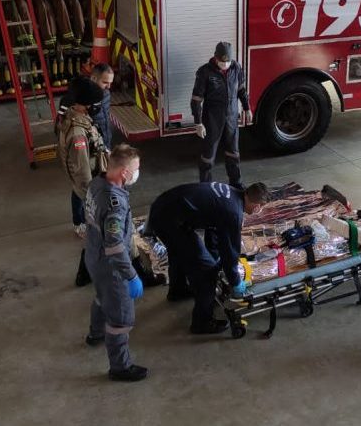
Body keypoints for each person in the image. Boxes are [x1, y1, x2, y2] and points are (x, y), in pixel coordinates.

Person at [144, 182, 269, 334]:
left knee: (180, 250)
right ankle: (202, 322)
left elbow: (215, 229)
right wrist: (234, 280)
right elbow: (230, 251)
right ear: (256, 206)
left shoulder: (233, 194)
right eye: (261, 207)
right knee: (207, 272)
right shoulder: (233, 212)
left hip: (164, 208)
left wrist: (214, 256)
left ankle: (178, 290)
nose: (260, 210)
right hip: (169, 220)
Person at [83, 144, 147, 382]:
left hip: (92, 255)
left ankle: (95, 334)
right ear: (124, 173)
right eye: (136, 168)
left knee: (101, 298)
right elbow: (115, 247)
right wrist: (130, 275)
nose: (138, 172)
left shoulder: (96, 184)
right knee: (121, 317)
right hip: (110, 266)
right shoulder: (115, 204)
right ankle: (120, 367)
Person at [57, 77, 108, 286]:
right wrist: (95, 195)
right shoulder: (78, 133)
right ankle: (85, 272)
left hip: (90, 184)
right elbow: (83, 171)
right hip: (90, 188)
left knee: (97, 232)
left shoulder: (75, 117)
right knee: (97, 232)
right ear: (88, 104)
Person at [57, 63, 115, 238]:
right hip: (86, 155)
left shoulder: (99, 97)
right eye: (105, 82)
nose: (108, 87)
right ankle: (81, 222)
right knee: (81, 190)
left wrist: (104, 147)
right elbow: (82, 173)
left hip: (98, 146)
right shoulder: (77, 131)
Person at [191, 41, 251, 188]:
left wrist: (247, 107)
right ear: (215, 58)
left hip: (231, 118)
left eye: (227, 61)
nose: (225, 64)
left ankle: (236, 183)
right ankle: (205, 186)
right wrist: (198, 122)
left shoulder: (236, 68)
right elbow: (196, 100)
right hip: (212, 119)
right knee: (208, 156)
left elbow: (241, 90)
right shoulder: (205, 72)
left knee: (233, 153)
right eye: (221, 61)